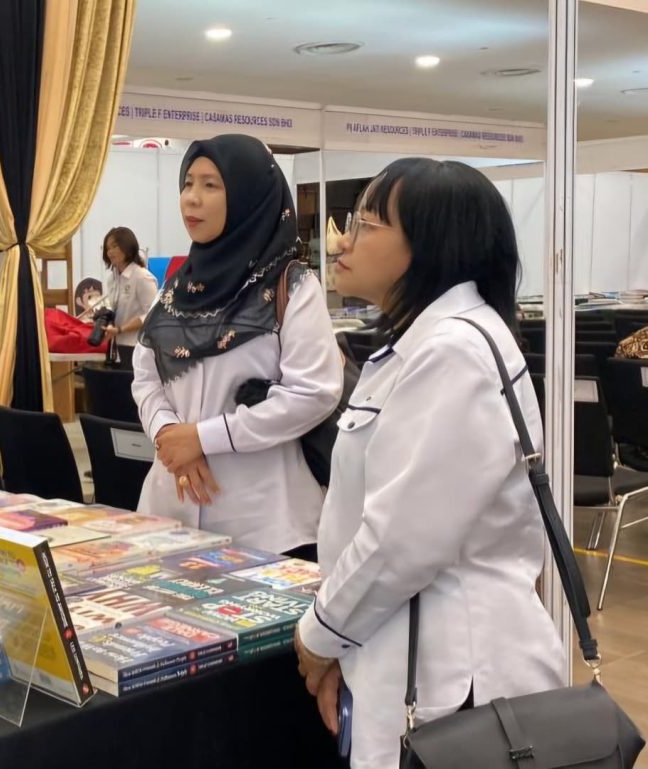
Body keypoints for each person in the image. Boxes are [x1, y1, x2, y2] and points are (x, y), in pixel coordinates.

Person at [293, 158, 565, 768]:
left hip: (450, 674)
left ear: (430, 245)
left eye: (366, 225)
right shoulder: (424, 342)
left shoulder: (452, 351)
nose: (342, 242)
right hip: (402, 646)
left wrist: (320, 636)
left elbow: (401, 540)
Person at [132, 134, 343, 559]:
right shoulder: (176, 288)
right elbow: (145, 377)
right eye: (188, 183)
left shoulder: (293, 287)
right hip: (168, 514)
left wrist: (203, 438)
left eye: (211, 185)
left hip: (265, 523)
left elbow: (314, 393)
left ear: (249, 196)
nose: (192, 198)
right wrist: (168, 434)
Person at [99, 226, 158, 369]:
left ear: (127, 247)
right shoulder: (112, 279)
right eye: (107, 248)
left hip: (138, 346)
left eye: (114, 246)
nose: (110, 252)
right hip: (116, 347)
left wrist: (121, 329)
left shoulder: (142, 277)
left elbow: (153, 315)